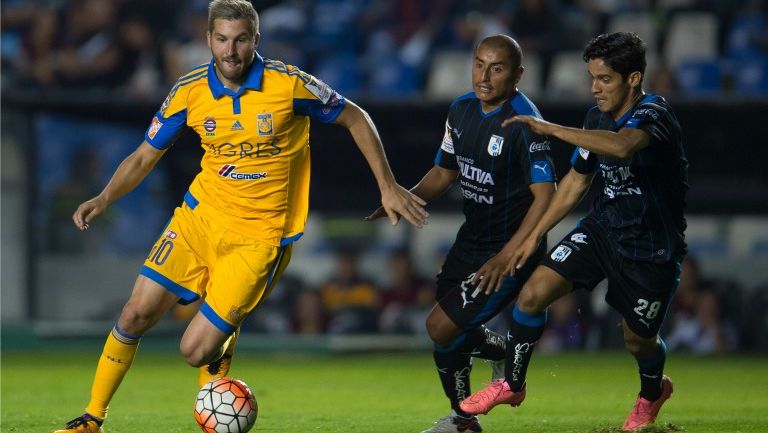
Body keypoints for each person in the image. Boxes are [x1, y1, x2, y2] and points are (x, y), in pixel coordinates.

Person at [55, 1, 428, 432]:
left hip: (261, 238)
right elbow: (143, 157)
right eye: (221, 39)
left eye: (240, 39)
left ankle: (221, 337)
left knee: (195, 351)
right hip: (201, 219)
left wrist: (387, 185)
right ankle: (92, 418)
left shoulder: (288, 85)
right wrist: (103, 197)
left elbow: (357, 118)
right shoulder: (189, 90)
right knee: (135, 312)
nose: (230, 50)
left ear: (255, 40)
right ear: (209, 39)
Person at [459, 32, 688, 433]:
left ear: (633, 79)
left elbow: (621, 147)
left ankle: (653, 390)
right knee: (531, 294)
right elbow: (576, 183)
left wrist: (550, 129)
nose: (595, 88)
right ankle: (512, 384)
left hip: (650, 249)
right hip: (602, 230)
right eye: (591, 78)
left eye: (605, 80)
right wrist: (534, 235)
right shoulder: (595, 117)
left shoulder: (655, 113)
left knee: (637, 341)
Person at [368, 34, 556, 433]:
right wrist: (404, 197)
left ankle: (461, 419)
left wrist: (509, 255)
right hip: (472, 240)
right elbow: (444, 173)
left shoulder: (525, 124)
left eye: (498, 68)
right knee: (449, 331)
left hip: (511, 249)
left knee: (439, 328)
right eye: (478, 64)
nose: (484, 76)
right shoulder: (460, 110)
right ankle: (495, 364)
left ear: (518, 74)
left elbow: (547, 196)